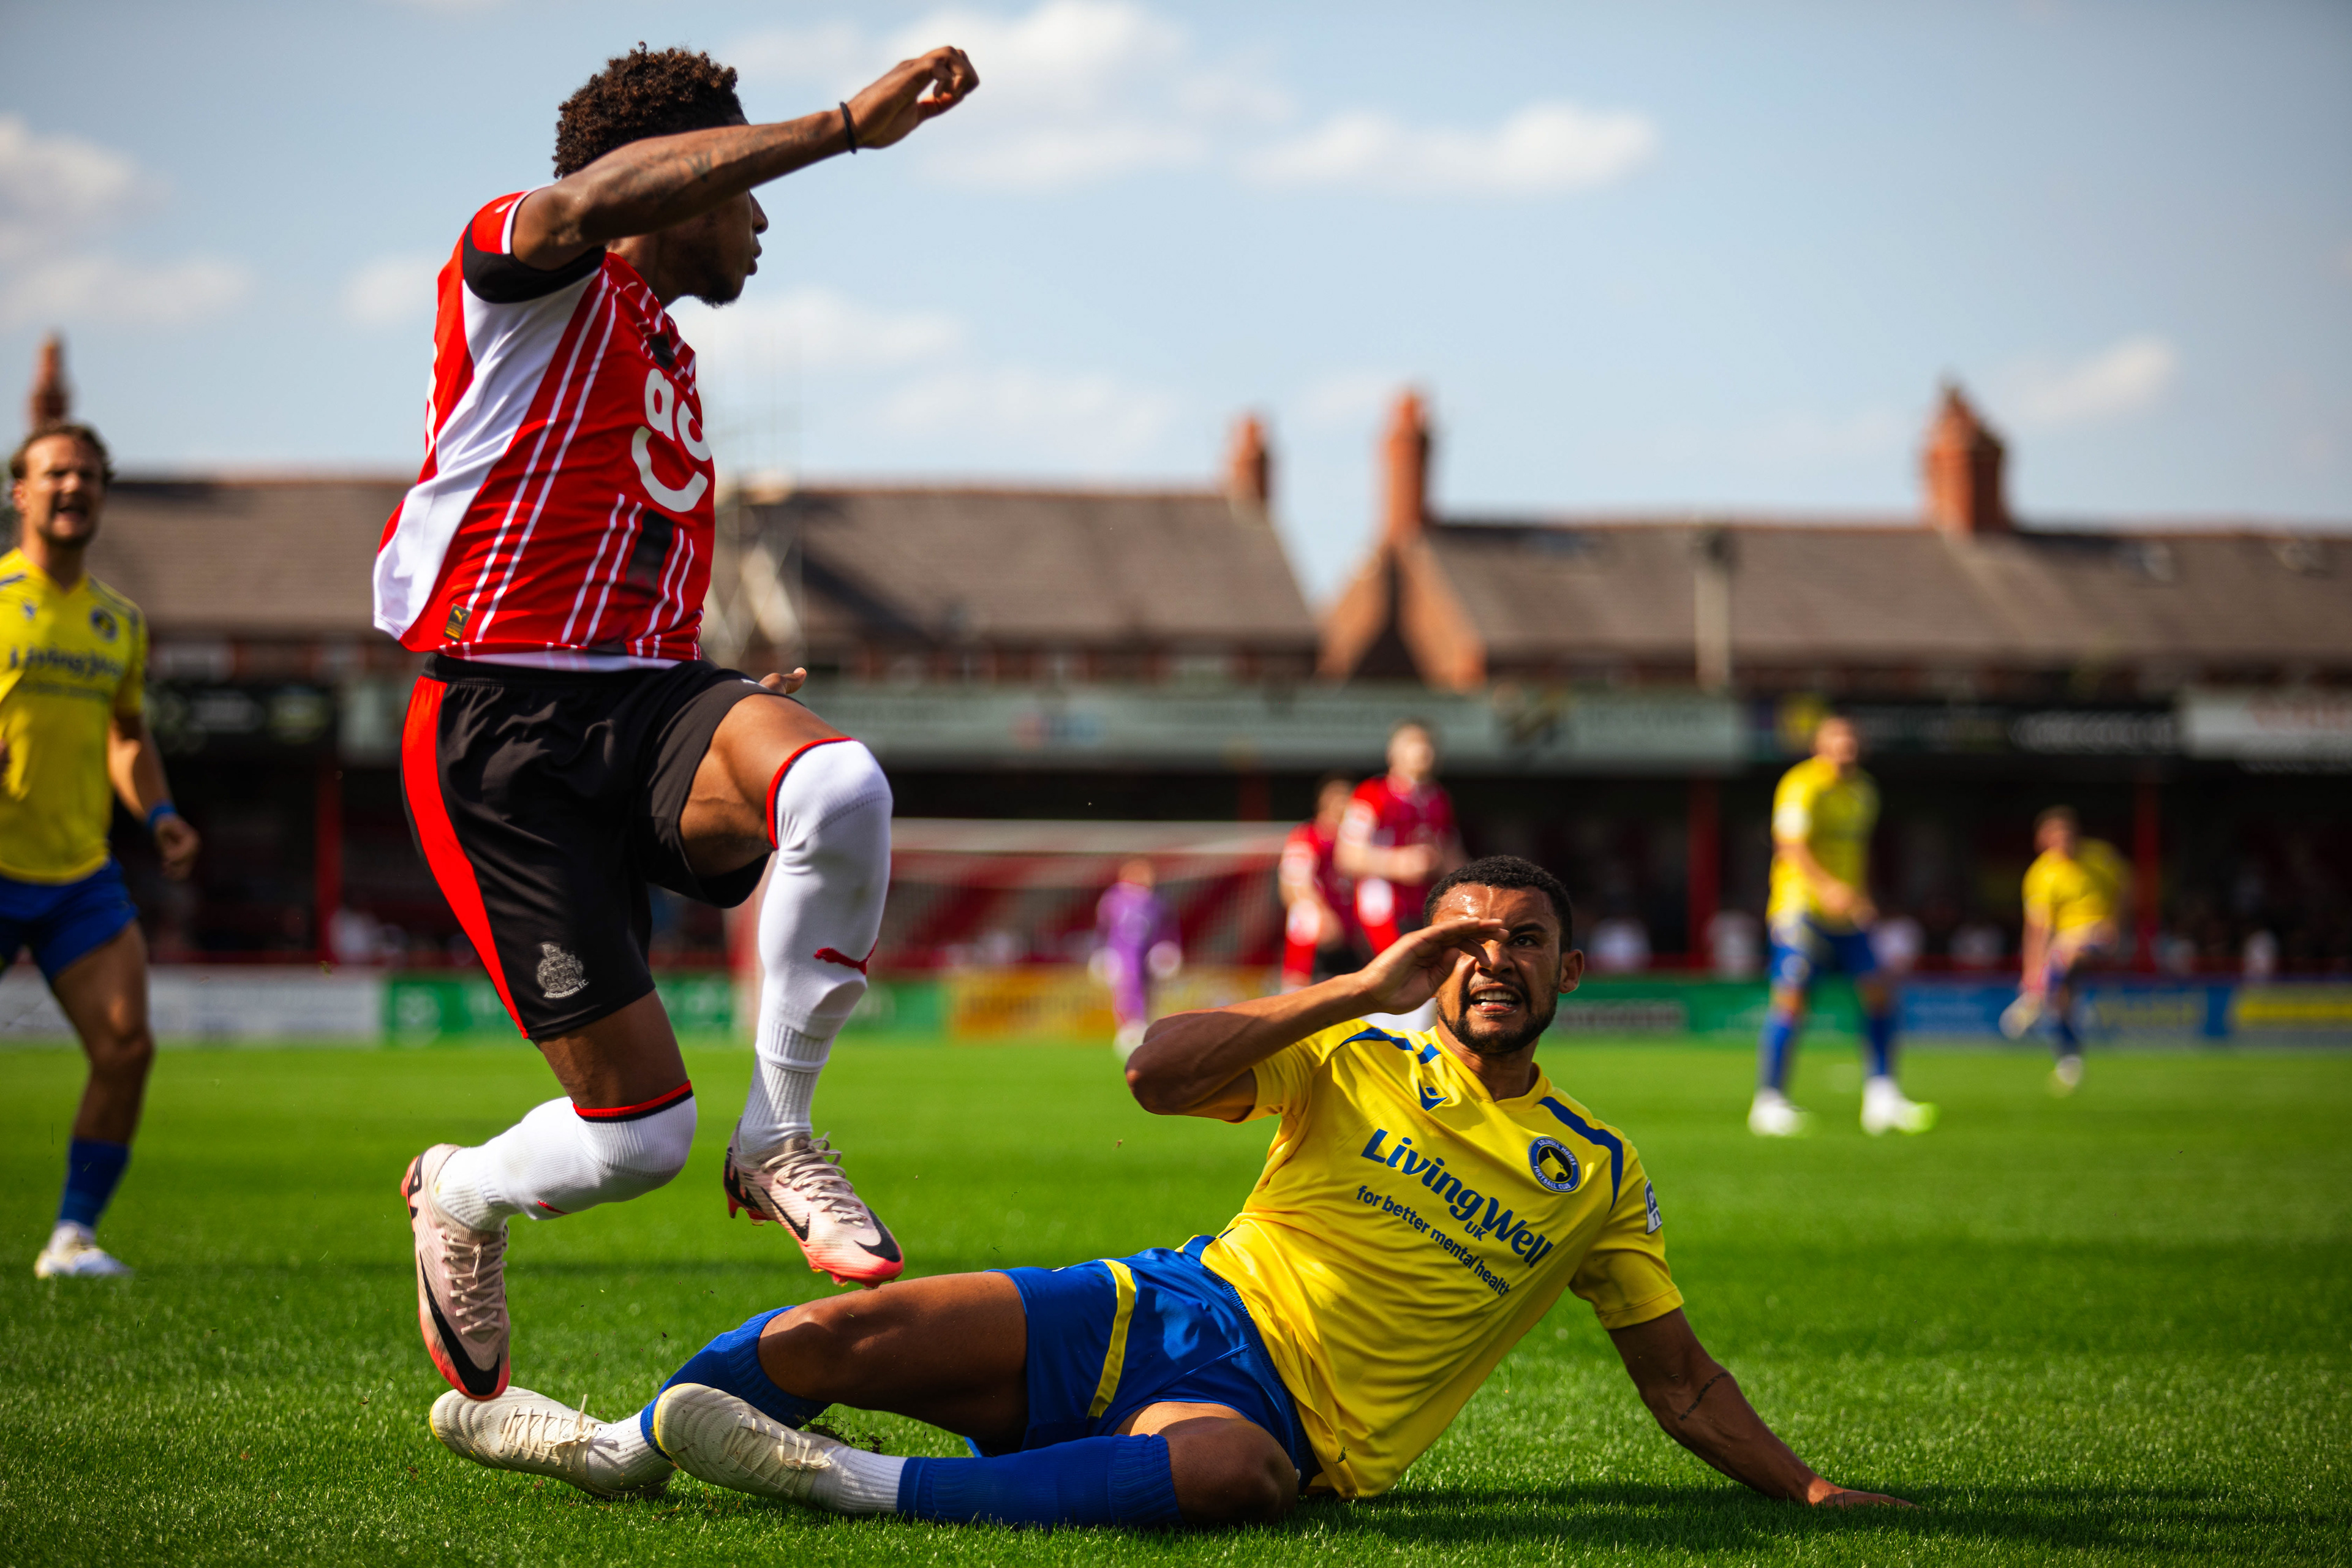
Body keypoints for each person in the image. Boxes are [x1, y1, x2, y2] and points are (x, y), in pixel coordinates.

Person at [426, 856, 1910, 1526]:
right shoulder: (1353, 1050)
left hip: (1283, 1417)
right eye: (1466, 936)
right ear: (1428, 956)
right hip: (1162, 1301)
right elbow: (1150, 1067)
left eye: (1524, 938)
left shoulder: (1597, 1173)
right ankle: (623, 1446)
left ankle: (858, 1484)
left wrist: (1811, 1483)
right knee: (835, 1341)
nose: (1492, 958)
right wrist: (1351, 985)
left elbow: (1682, 1379)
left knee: (1225, 1478)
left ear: (1567, 973)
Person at [376, 43, 979, 1401]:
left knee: (839, 785)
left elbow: (610, 569)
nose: (760, 216)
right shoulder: (525, 275)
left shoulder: (666, 356)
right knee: (639, 1138)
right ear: (677, 177)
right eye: (742, 180)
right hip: (495, 731)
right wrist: (834, 128)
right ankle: (463, 1193)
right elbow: (595, 204)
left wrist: (699, 690)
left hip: (641, 699)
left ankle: (781, 1136)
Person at [6, 422, 201, 1278]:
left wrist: (157, 811)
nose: (71, 487)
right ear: (21, 491)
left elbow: (128, 734)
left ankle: (72, 1238)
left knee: (127, 1045)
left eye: (86, 475)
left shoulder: (117, 622)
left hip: (77, 874)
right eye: (54, 474)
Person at [1749, 715, 1934, 1139]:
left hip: (1847, 911)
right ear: (1820, 746)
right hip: (1799, 908)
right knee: (1793, 999)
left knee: (1880, 991)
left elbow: (1859, 851)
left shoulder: (1864, 791)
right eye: (1838, 742)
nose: (1846, 750)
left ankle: (1882, 1097)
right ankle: (1769, 1102)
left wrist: (1863, 896)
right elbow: (1791, 847)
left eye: (1852, 742)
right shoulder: (1801, 785)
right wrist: (1828, 888)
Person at [1335, 720, 1465, 1025]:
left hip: (1424, 905)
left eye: (1429, 745)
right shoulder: (1372, 795)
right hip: (1382, 908)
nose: (1424, 752)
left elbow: (1450, 852)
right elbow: (1347, 854)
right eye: (1415, 744)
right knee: (1402, 983)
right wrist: (1399, 863)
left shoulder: (1436, 799)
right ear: (1394, 753)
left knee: (1423, 983)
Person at [2003, 806, 2129, 1095]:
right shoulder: (2041, 875)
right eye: (2056, 837)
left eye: (2068, 835)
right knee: (2060, 1002)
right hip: (2063, 947)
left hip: (2100, 936)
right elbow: (2037, 930)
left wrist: (2117, 923)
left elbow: (2126, 887)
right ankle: (2069, 1061)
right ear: (2043, 841)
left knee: (2068, 948)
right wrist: (2032, 971)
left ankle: (2032, 999)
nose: (2064, 842)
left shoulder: (2101, 857)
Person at [1278, 773, 1360, 991]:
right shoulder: (1308, 836)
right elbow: (1294, 883)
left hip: (1349, 926)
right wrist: (1322, 915)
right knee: (1302, 991)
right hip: (1318, 926)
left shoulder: (1353, 841)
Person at [1095, 858, 1180, 1057]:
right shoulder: (1113, 899)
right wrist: (1101, 953)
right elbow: (1103, 929)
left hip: (1148, 954)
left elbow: (1168, 930)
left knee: (1149, 991)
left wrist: (1169, 950)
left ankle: (1145, 1029)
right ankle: (1127, 1031)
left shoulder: (1157, 902)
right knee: (1125, 990)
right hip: (1122, 953)